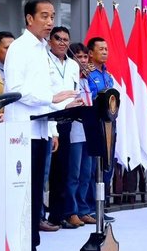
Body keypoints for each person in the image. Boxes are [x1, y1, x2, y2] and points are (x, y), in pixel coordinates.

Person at [3, 0, 79, 251]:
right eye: (44, 16)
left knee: (36, 191)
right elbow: (16, 89)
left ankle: (32, 247)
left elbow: (48, 93)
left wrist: (62, 106)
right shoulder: (20, 48)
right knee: (23, 192)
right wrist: (52, 97)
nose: (49, 22)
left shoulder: (42, 50)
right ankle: (22, 250)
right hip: (21, 129)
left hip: (40, 127)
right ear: (28, 19)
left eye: (52, 16)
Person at [45, 27, 85, 229]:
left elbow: (75, 90)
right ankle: (45, 216)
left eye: (65, 39)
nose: (62, 43)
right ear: (50, 41)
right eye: (58, 39)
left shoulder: (72, 65)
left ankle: (59, 214)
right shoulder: (44, 61)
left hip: (68, 120)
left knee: (64, 170)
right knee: (47, 172)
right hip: (49, 118)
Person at [65, 42, 97, 226]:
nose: (83, 60)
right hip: (74, 131)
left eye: (85, 57)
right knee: (74, 174)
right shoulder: (71, 77)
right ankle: (72, 211)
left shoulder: (87, 79)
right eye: (79, 57)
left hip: (88, 130)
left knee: (87, 173)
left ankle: (84, 209)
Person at [86, 36, 116, 222]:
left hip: (109, 125)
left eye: (106, 49)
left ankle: (100, 207)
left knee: (107, 167)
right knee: (92, 169)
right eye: (101, 49)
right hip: (94, 125)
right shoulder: (87, 74)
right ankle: (89, 207)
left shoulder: (108, 75)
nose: (105, 52)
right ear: (90, 53)